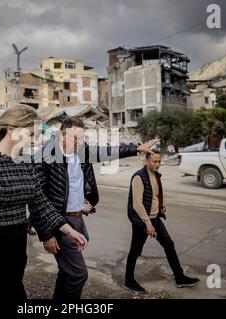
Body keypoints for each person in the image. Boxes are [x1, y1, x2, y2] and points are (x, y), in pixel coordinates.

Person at [0, 105, 88, 303]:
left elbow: (40, 203)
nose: (34, 140)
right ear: (11, 130)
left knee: (14, 290)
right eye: (31, 134)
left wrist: (69, 230)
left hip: (16, 243)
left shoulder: (26, 162)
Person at [35, 117, 159, 300]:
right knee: (78, 274)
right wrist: (46, 235)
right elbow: (38, 199)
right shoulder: (45, 155)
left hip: (77, 219)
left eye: (82, 138)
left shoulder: (81, 151)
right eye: (75, 138)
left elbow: (107, 152)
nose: (79, 142)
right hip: (58, 223)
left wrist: (137, 148)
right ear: (62, 135)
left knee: (67, 271)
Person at [125, 151, 200, 293]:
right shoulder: (138, 177)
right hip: (142, 222)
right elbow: (137, 204)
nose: (157, 164)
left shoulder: (156, 175)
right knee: (135, 251)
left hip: (155, 219)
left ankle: (180, 277)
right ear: (146, 161)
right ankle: (129, 281)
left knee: (169, 244)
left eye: (159, 161)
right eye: (154, 161)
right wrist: (148, 224)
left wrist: (160, 208)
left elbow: (153, 196)